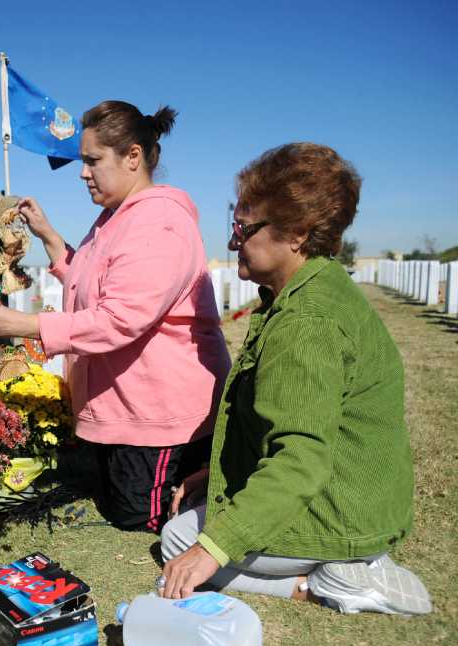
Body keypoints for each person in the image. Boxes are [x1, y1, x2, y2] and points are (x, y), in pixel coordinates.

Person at [159, 143, 432, 616]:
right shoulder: (319, 288)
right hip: (355, 494)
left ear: (298, 234)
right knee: (195, 521)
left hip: (340, 509)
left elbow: (300, 458)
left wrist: (212, 548)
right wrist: (217, 475)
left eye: (243, 229)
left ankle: (329, 581)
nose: (232, 243)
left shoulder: (306, 322)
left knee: (179, 539)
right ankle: (345, 562)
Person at [0, 100, 231, 532]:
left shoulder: (159, 223)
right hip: (125, 406)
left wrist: (26, 326)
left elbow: (120, 318)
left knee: (135, 515)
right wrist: (49, 236)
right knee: (104, 494)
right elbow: (90, 282)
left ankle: (207, 482)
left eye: (93, 160)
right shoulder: (114, 218)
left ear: (132, 156)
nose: (82, 172)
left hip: (159, 411)